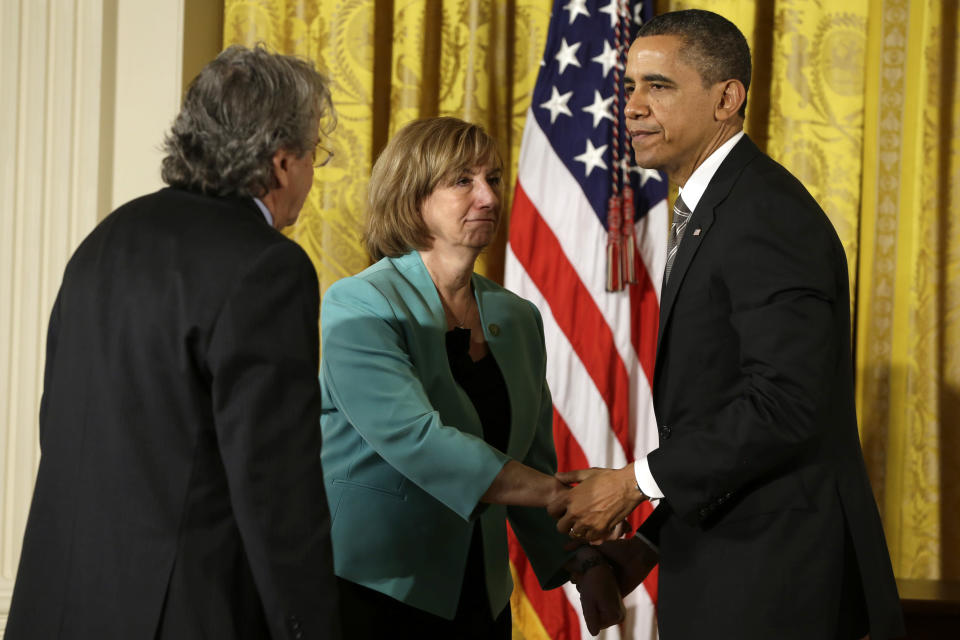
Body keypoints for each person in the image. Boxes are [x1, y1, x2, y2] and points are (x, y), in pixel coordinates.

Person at [547, 10, 906, 640]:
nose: (631, 107)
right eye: (628, 87)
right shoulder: (715, 207)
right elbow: (723, 414)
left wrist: (635, 484)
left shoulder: (765, 214)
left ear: (726, 99)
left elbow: (783, 406)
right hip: (731, 563)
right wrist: (649, 545)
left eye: (658, 86)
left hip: (776, 582)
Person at [6, 45, 341, 639]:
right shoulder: (269, 268)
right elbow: (276, 493)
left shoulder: (105, 238)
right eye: (317, 154)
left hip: (56, 604)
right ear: (283, 161)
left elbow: (57, 421)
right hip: (183, 614)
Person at [319, 116, 623, 638]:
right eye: (462, 180)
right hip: (377, 587)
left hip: (479, 593)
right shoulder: (361, 303)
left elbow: (528, 458)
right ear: (412, 195)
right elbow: (419, 441)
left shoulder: (518, 317)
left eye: (494, 179)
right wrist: (558, 493)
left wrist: (584, 565)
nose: (487, 196)